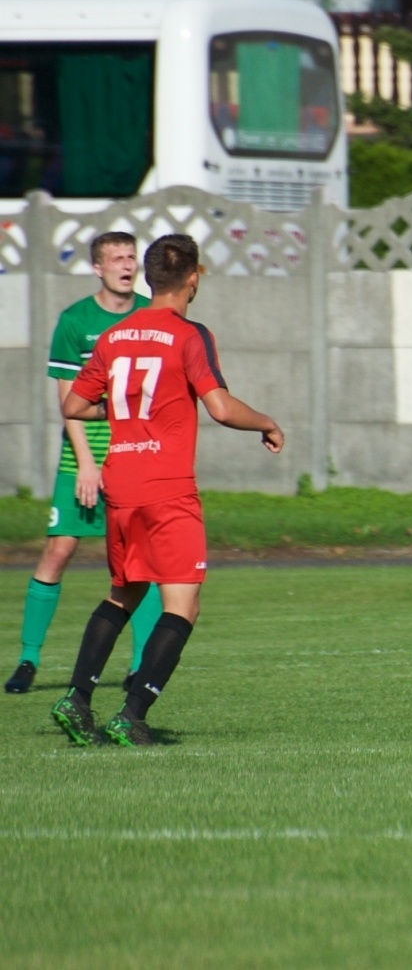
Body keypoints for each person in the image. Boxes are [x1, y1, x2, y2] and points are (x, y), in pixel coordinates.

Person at [49, 234, 283, 747]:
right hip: (168, 488)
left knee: (124, 591)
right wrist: (266, 421)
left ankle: (78, 698)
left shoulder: (114, 335)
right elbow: (220, 408)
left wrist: (125, 411)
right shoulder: (189, 334)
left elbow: (75, 406)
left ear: (151, 276)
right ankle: (132, 714)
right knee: (183, 604)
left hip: (122, 483)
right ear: (193, 277)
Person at [5, 232, 162, 695]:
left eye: (131, 256)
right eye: (116, 258)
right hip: (83, 455)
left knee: (141, 561)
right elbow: (69, 403)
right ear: (97, 268)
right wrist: (89, 465)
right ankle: (28, 660)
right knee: (59, 550)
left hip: (132, 454)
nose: (126, 265)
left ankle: (138, 665)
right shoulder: (75, 321)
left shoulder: (150, 316)